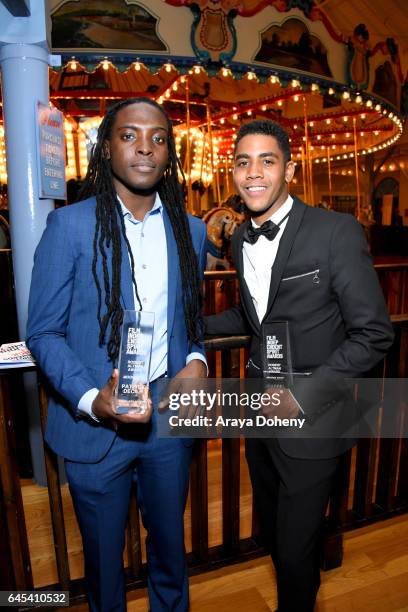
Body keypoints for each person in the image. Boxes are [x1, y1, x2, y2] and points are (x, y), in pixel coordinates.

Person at [27, 97, 207, 612]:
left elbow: (191, 320)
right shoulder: (70, 227)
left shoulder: (189, 231)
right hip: (95, 429)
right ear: (106, 148)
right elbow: (42, 333)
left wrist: (196, 361)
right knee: (104, 566)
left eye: (157, 138)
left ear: (169, 154)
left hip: (167, 422)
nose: (144, 147)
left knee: (171, 553)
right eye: (129, 135)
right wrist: (90, 398)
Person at [205, 119, 394, 611]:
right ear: (233, 172)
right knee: (276, 535)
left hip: (315, 421)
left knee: (293, 551)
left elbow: (374, 332)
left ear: (289, 168)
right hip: (261, 417)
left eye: (267, 161)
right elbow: (256, 317)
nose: (254, 173)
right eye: (243, 162)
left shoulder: (335, 231)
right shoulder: (240, 237)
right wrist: (185, 325)